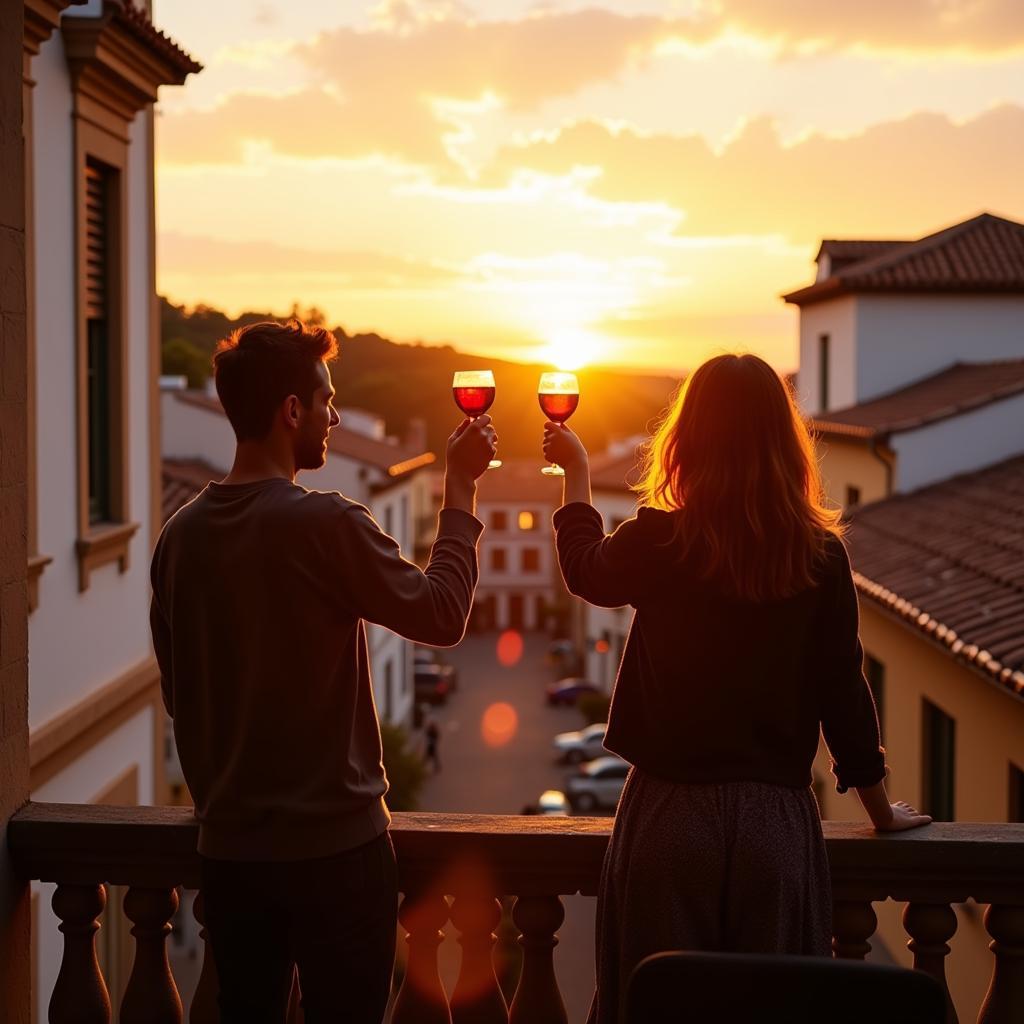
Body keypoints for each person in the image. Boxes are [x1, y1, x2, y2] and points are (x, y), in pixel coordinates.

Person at [542, 353, 930, 1024]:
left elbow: (586, 573)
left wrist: (575, 475)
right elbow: (843, 691)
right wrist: (880, 811)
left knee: (655, 1007)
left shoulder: (660, 538)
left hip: (669, 818)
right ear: (785, 443)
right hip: (774, 827)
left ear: (687, 439)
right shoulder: (819, 554)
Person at [150, 319, 496, 1024]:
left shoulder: (178, 539)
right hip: (338, 860)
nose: (335, 416)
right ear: (291, 411)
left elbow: (180, 700)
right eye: (327, 400)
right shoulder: (326, 525)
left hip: (231, 863)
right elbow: (442, 614)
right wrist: (460, 488)